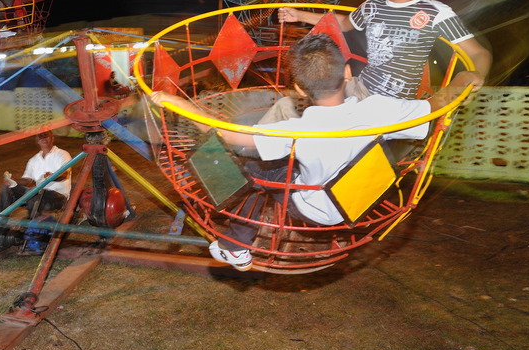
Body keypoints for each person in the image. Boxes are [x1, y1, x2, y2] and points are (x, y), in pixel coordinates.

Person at [150, 34, 459, 271]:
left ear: (298, 89)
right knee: (284, 158)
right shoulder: (381, 111)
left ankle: (234, 244)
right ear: (348, 73)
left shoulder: (298, 129)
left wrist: (179, 104)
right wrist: (467, 78)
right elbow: (440, 103)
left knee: (255, 169)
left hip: (312, 207)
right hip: (359, 200)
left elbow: (227, 135)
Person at [277, 0, 492, 103]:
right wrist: (299, 15)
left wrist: (476, 73)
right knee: (296, 104)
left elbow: (479, 53)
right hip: (361, 88)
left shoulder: (436, 12)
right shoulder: (373, 5)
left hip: (394, 103)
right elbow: (343, 23)